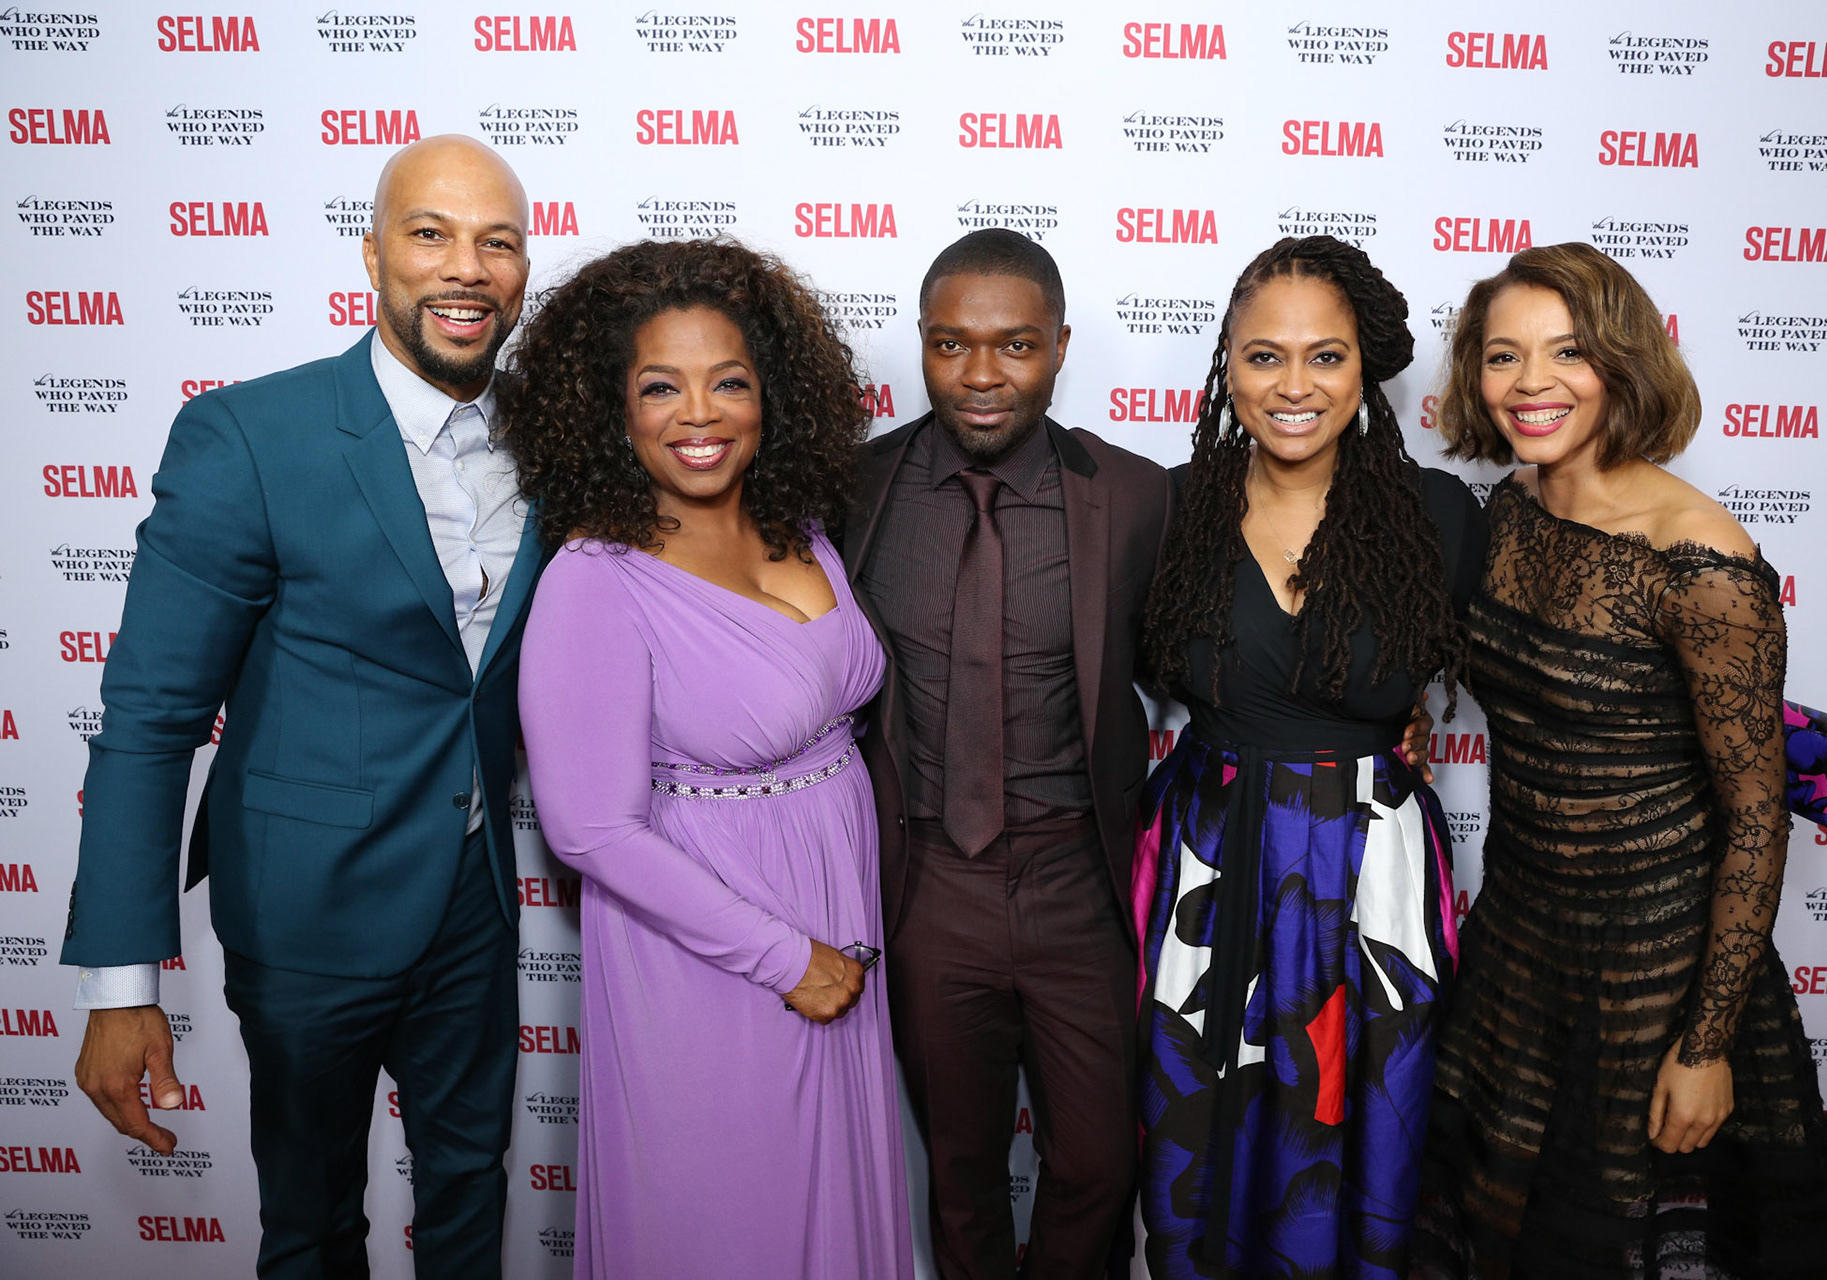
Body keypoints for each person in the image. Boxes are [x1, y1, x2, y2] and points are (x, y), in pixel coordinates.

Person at [62, 135, 544, 1279]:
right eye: (430, 234)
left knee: (472, 1199)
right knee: (315, 1223)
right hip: (307, 916)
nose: (465, 267)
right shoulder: (250, 435)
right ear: (373, 255)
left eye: (498, 241)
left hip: (475, 906)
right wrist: (122, 985)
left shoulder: (557, 444)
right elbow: (147, 715)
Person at [1417, 242, 1827, 1278]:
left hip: (1655, 967)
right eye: (1502, 355)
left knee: (1607, 1244)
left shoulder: (1699, 556)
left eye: (1567, 351)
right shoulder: (1512, 510)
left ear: (1623, 361)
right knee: (1496, 1231)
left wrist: (1704, 1045)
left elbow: (1757, 813)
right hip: (1520, 940)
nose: (1531, 382)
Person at [509, 239, 912, 1280]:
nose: (700, 412)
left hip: (838, 918)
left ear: (770, 393)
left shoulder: (802, 527)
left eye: (728, 380)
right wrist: (786, 957)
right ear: (615, 409)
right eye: (661, 386)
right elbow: (590, 826)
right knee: (729, 1221)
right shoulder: (595, 578)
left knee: (833, 1203)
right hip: (711, 948)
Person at [1132, 236, 1485, 1278]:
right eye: (1263, 356)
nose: (1293, 386)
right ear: (1226, 364)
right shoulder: (1167, 508)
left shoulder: (1440, 518)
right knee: (1199, 1146)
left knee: (1373, 1136)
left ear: (1365, 368)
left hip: (1374, 878)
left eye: (1325, 356)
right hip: (1210, 864)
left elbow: (1565, 671)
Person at [840, 228, 1171, 1279]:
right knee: (960, 1167)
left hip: (1082, 878)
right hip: (932, 880)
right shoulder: (853, 491)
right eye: (951, 345)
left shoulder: (1137, 495)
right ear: (923, 345)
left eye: (1015, 345)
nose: (981, 377)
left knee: (1100, 1165)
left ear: (1062, 345)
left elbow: (1215, 650)